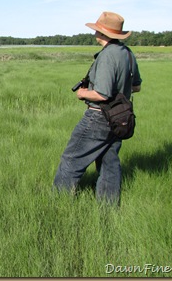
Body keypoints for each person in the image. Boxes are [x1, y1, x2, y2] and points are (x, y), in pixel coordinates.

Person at [53, 11, 142, 205]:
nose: (95, 33)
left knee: (72, 159)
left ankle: (57, 204)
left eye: (97, 29)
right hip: (120, 117)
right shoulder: (127, 53)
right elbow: (136, 86)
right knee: (109, 162)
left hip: (98, 116)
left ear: (102, 33)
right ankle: (108, 208)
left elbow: (102, 94)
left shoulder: (107, 56)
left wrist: (83, 93)